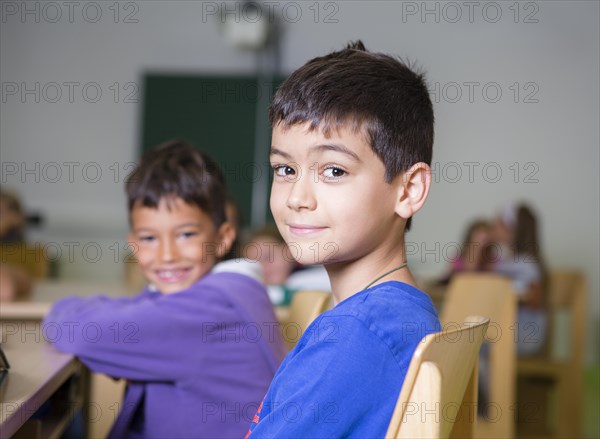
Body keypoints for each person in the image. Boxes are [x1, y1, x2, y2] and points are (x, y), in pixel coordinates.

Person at [245, 40, 441, 437]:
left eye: (333, 171)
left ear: (408, 190)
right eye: (284, 169)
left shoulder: (358, 335)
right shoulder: (399, 314)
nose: (298, 198)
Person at [43, 140, 286, 439]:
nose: (167, 254)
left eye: (185, 234)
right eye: (149, 238)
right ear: (133, 244)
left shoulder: (210, 310)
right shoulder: (232, 292)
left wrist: (60, 310)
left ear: (223, 238)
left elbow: (81, 334)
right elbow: (136, 310)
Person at [492, 203, 548, 356]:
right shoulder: (506, 261)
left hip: (524, 335)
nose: (494, 230)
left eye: (499, 225)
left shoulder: (527, 265)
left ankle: (489, 379)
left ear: (512, 231)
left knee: (477, 344)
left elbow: (535, 300)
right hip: (507, 331)